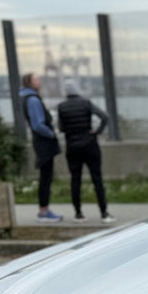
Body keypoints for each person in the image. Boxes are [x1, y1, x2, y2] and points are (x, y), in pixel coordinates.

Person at [57, 84, 113, 223]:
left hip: (72, 146)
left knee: (75, 180)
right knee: (97, 178)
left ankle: (78, 214)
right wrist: (97, 132)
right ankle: (104, 213)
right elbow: (105, 117)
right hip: (90, 144)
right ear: (78, 91)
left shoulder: (61, 107)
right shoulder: (86, 103)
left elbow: (61, 127)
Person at [18, 73, 62, 222]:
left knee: (46, 176)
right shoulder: (33, 100)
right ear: (29, 83)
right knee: (46, 177)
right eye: (36, 80)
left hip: (41, 141)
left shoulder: (28, 98)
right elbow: (38, 124)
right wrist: (51, 134)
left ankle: (44, 209)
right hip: (43, 142)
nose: (39, 82)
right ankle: (44, 211)